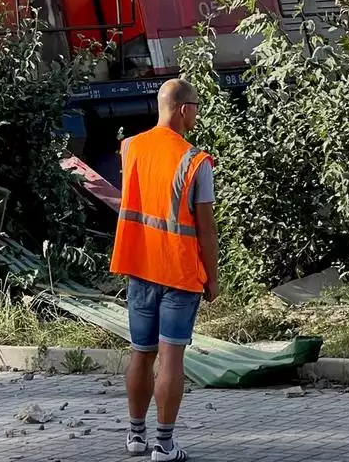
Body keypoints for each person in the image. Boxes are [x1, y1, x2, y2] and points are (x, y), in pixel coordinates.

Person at [109, 78, 220, 461]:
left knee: (142, 353)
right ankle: (165, 444)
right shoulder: (195, 161)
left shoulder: (130, 148)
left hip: (138, 267)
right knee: (171, 357)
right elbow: (206, 229)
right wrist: (213, 279)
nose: (198, 114)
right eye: (196, 107)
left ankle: (135, 436)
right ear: (182, 109)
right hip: (179, 271)